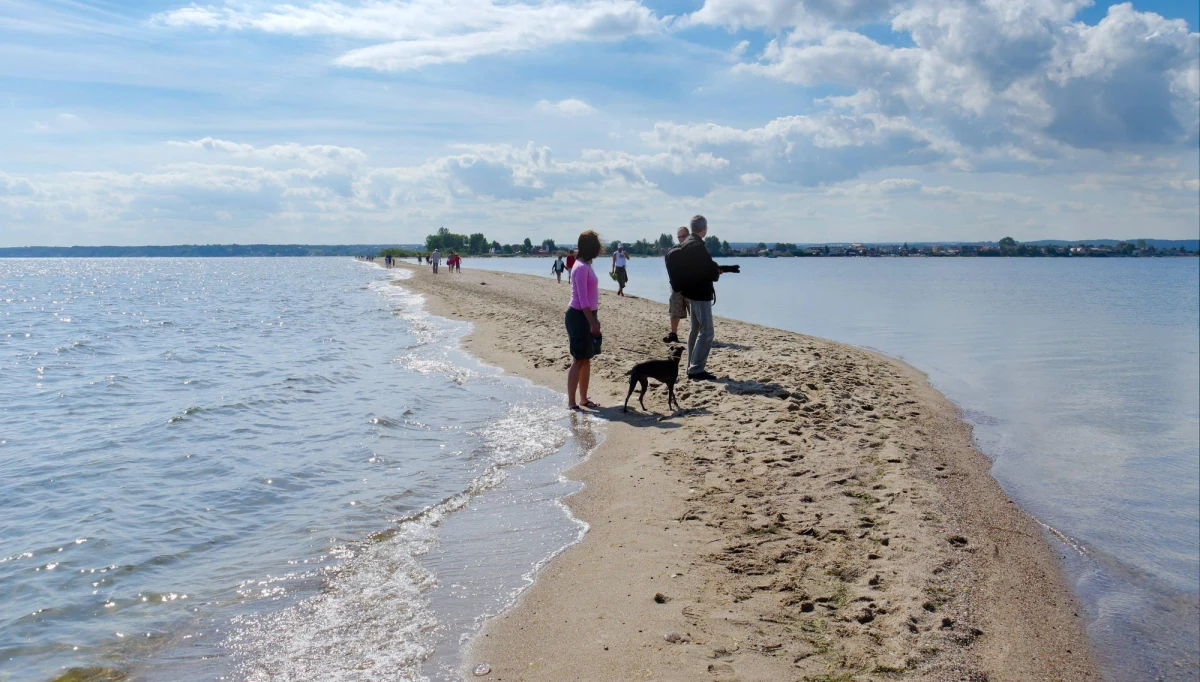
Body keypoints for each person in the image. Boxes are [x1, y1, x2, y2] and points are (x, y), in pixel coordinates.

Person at [666, 215, 721, 381]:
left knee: (695, 329)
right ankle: (696, 369)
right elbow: (707, 270)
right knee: (707, 332)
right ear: (704, 229)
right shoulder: (697, 245)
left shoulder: (688, 243)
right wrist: (715, 271)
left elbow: (697, 268)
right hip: (700, 293)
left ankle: (691, 364)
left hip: (691, 293)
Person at [565, 231, 603, 411]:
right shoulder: (580, 267)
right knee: (579, 359)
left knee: (586, 358)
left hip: (587, 314)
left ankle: (583, 399)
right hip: (579, 316)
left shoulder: (585, 265)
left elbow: (590, 298)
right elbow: (582, 299)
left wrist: (595, 319)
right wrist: (592, 322)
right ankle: (572, 402)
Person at [663, 226, 690, 343]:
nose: (681, 238)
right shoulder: (673, 251)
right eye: (679, 236)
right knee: (674, 311)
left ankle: (698, 334)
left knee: (694, 312)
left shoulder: (694, 250)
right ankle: (673, 333)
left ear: (689, 236)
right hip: (676, 287)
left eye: (684, 236)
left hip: (691, 287)